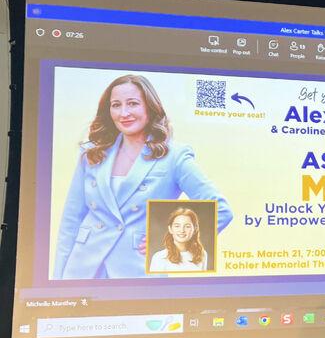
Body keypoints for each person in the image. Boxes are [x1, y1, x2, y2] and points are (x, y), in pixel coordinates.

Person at [53, 74, 232, 279]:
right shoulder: (92, 153)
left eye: (133, 104)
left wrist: (167, 242)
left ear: (150, 106)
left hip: (136, 274)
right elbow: (71, 220)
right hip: (82, 270)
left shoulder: (174, 156)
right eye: (116, 105)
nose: (124, 113)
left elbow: (221, 209)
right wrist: (56, 281)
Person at [149, 207, 208, 272]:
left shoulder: (202, 255)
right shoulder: (159, 257)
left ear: (195, 229)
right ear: (170, 229)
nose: (182, 230)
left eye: (187, 226)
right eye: (177, 226)